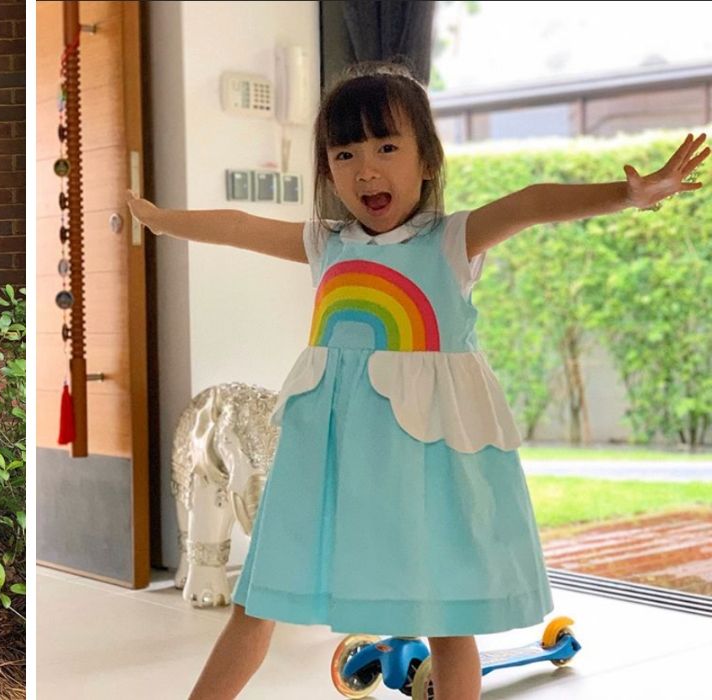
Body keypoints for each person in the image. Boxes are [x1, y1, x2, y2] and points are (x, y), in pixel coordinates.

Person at [125, 61, 709, 700]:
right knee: (258, 600)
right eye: (344, 154)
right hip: (327, 467)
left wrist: (625, 194)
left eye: (386, 147)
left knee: (447, 619)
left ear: (427, 161)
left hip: (427, 467)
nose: (365, 168)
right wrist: (160, 219)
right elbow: (239, 226)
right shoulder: (327, 245)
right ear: (328, 172)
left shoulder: (453, 240)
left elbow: (534, 201)